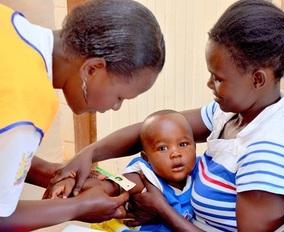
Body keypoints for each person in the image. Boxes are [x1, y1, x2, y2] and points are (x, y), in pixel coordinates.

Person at [51, 0, 284, 231]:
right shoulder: (230, 115)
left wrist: (162, 210)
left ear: (258, 79)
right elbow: (153, 131)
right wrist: (90, 154)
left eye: (218, 78)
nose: (210, 84)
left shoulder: (267, 152)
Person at [0, 0, 165, 230]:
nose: (116, 107)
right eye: (120, 97)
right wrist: (78, 207)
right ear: (91, 69)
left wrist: (51, 173)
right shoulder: (27, 106)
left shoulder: (9, 21)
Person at [45, 110, 198, 232]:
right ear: (146, 158)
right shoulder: (144, 177)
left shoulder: (198, 173)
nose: (175, 153)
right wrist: (73, 182)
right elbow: (110, 186)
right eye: (162, 148)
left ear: (195, 147)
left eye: (183, 144)